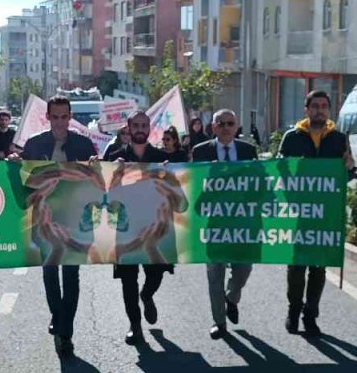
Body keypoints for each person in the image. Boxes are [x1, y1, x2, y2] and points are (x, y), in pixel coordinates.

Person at [9, 96, 99, 358]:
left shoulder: (83, 144)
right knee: (50, 274)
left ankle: (65, 332)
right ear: (47, 117)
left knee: (71, 276)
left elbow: (95, 184)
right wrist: (15, 166)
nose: (60, 122)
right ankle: (57, 315)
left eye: (64, 117)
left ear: (70, 117)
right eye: (55, 117)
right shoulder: (35, 145)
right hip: (44, 220)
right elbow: (25, 183)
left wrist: (95, 168)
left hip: (75, 222)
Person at [277, 90, 355, 337]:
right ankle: (293, 310)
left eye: (324, 106)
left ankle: (311, 314)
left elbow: (346, 175)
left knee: (318, 267)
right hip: (298, 213)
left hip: (326, 214)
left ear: (329, 111)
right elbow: (280, 170)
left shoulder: (339, 139)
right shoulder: (291, 138)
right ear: (306, 109)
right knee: (297, 265)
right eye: (315, 106)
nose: (320, 110)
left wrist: (350, 168)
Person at [106, 112, 175, 345]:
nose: (139, 129)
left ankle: (147, 295)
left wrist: (170, 175)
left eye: (143, 125)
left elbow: (176, 194)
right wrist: (112, 173)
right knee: (128, 280)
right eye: (135, 125)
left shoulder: (161, 158)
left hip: (156, 229)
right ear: (128, 127)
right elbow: (104, 195)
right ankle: (135, 326)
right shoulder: (115, 157)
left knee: (156, 273)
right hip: (125, 229)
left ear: (149, 128)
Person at [190, 109, 258, 340]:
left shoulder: (249, 151)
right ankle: (219, 322)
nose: (226, 127)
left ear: (237, 126)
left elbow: (258, 184)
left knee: (244, 268)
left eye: (230, 123)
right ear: (213, 127)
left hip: (243, 225)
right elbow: (193, 185)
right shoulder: (201, 152)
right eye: (221, 123)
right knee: (214, 274)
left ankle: (232, 297)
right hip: (213, 224)